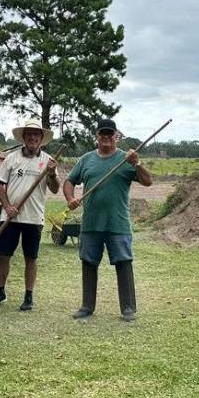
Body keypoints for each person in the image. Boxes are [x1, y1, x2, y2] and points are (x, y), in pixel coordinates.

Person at [63, 118, 153, 321]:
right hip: (91, 223)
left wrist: (137, 163)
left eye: (110, 135)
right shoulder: (86, 160)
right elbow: (69, 180)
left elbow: (148, 181)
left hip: (117, 223)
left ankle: (128, 308)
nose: (106, 138)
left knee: (123, 262)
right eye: (102, 134)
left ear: (116, 137)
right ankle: (87, 306)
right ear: (97, 137)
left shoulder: (126, 159)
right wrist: (70, 198)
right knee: (88, 262)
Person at [0, 118, 61, 312]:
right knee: (3, 255)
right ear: (24, 137)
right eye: (29, 134)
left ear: (41, 138)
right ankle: (0, 292)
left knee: (31, 258)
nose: (33, 137)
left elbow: (54, 189)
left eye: (36, 135)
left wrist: (51, 174)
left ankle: (28, 296)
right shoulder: (11, 159)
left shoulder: (48, 161)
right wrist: (7, 206)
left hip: (34, 217)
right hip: (10, 217)